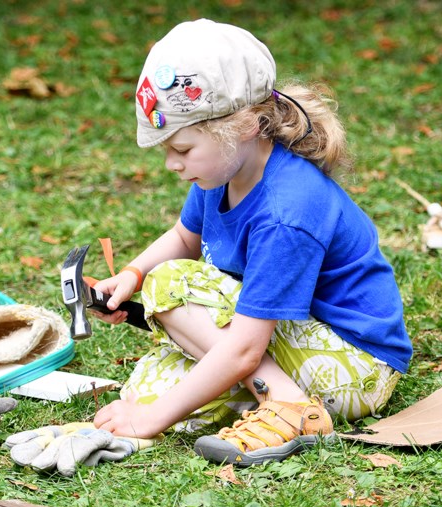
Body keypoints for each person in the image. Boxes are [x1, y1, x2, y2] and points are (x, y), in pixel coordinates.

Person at [91, 19, 412, 466]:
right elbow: (186, 235)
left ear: (243, 126)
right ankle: (277, 399)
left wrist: (149, 422)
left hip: (354, 364)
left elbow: (242, 349)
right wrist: (130, 275)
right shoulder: (220, 172)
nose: (171, 164)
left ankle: (288, 404)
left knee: (171, 285)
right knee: (145, 389)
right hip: (285, 340)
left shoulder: (287, 210)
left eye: (182, 149)